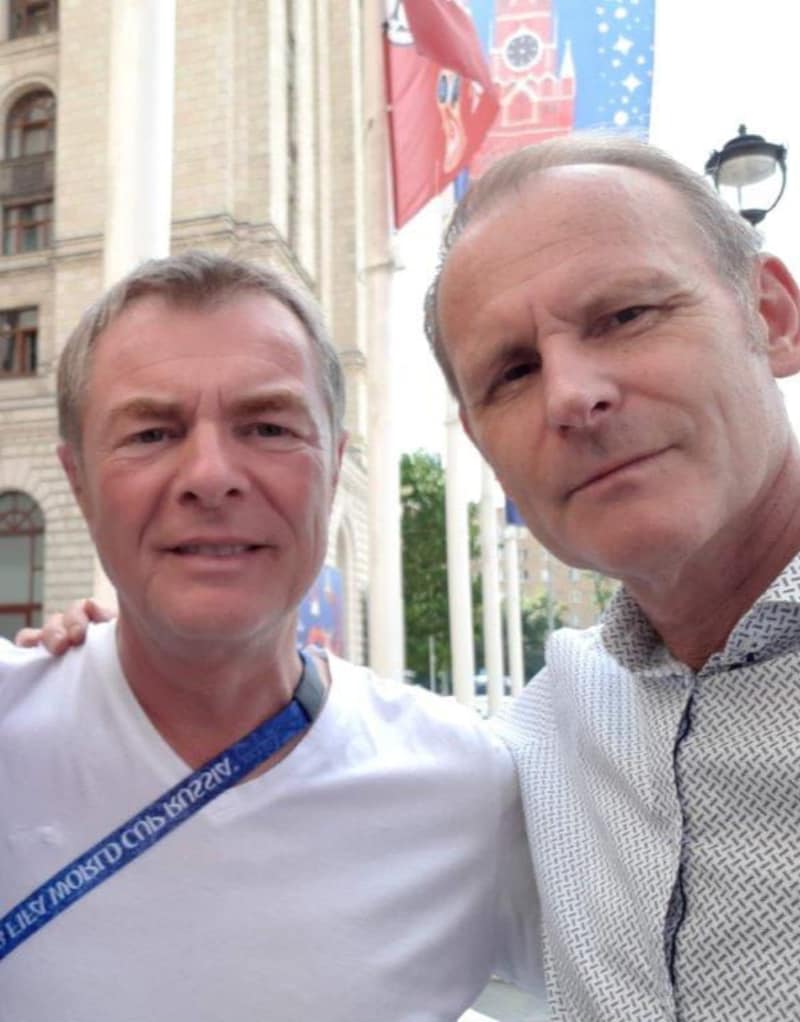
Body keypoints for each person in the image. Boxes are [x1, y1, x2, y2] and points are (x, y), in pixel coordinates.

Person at [0, 251, 541, 1021]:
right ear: (79, 481)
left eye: (268, 426)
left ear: (334, 468)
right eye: (152, 432)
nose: (211, 475)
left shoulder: (469, 787)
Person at [424, 134, 800, 1020]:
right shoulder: (542, 737)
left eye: (626, 316)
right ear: (483, 443)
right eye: (512, 372)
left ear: (772, 317)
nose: (568, 395)